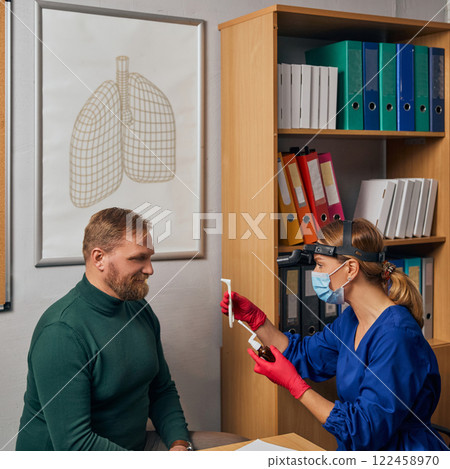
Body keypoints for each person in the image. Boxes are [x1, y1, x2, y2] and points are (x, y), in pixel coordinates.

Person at [17, 207, 245, 451]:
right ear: (99, 258)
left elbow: (161, 390)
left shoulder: (138, 308)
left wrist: (179, 445)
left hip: (133, 448)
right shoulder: (61, 332)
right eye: (137, 258)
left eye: (149, 257)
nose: (149, 269)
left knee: (239, 447)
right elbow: (76, 445)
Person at [221, 218, 446, 451]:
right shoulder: (351, 321)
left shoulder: (397, 337)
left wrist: (296, 386)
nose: (315, 273)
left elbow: (364, 430)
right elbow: (303, 355)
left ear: (350, 268)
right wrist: (257, 321)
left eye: (319, 265)